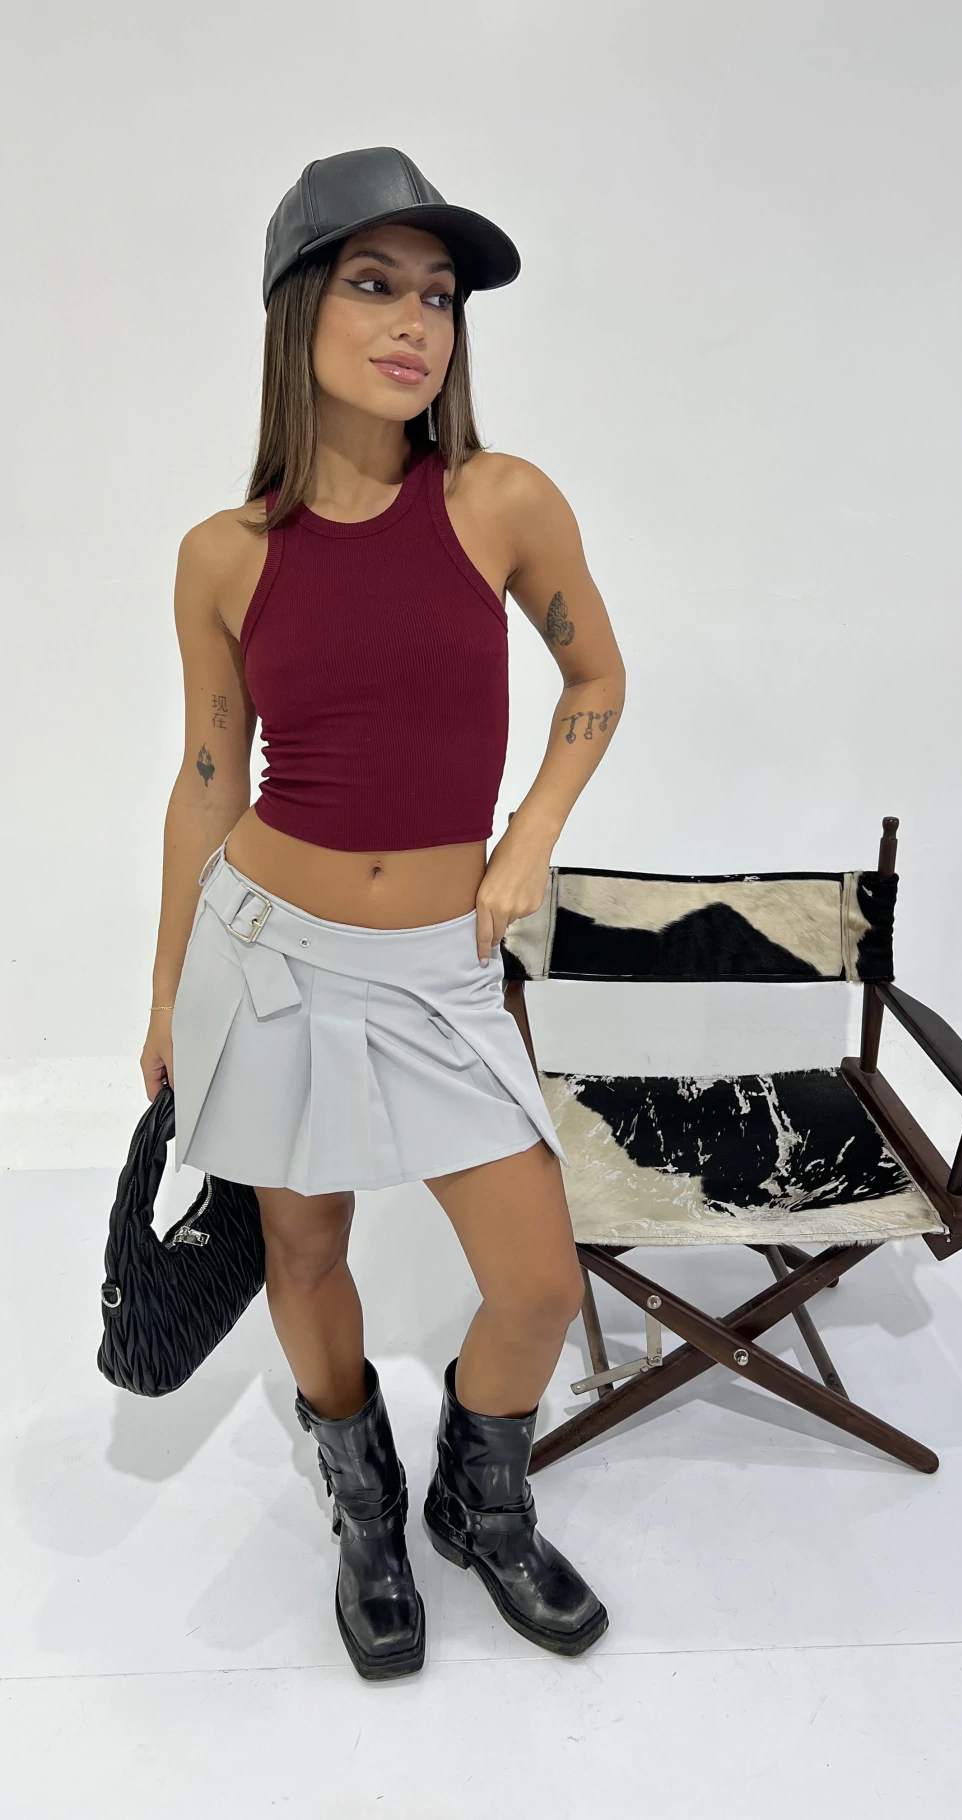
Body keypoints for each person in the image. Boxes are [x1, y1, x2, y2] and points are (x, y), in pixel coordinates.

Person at [141, 147, 626, 1681]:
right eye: (375, 284)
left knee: (537, 1281)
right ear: (298, 308)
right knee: (304, 1251)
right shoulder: (225, 556)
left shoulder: (497, 501)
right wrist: (165, 991)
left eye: (440, 296)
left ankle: (483, 1498)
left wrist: (528, 838)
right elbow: (208, 779)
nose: (418, 322)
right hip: (268, 960)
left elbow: (596, 679)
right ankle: (366, 1509)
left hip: (438, 965)